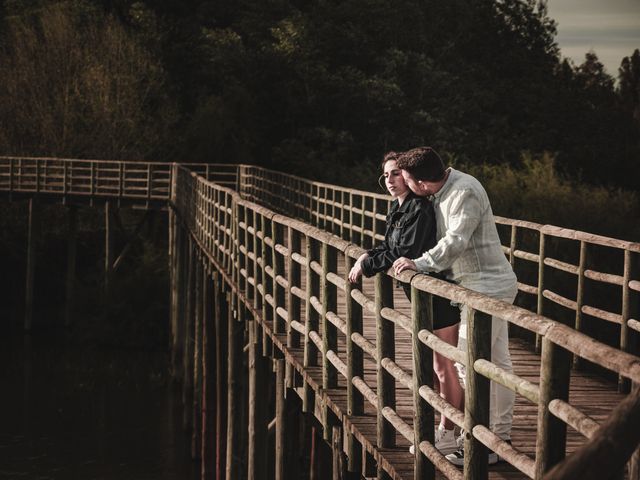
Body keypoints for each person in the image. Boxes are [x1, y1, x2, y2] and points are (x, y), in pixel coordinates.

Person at [392, 146, 518, 466]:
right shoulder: (441, 192)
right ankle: (497, 437)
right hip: (474, 289)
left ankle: (484, 440)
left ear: (421, 181)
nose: (406, 186)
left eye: (407, 180)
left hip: (488, 289)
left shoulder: (464, 192)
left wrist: (417, 264)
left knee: (468, 362)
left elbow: (455, 242)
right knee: (496, 364)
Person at [348, 151, 464, 456]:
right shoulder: (399, 209)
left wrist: (369, 264)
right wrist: (367, 255)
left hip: (437, 293)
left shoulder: (420, 209)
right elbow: (390, 246)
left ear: (410, 177)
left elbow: (406, 250)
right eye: (385, 175)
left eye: (396, 174)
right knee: (437, 367)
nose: (390, 180)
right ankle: (450, 428)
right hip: (420, 295)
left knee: (444, 367)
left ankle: (449, 433)